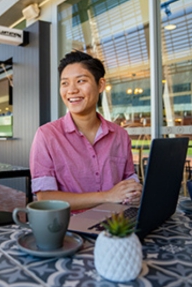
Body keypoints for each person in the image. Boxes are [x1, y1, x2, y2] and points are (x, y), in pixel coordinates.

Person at [29, 50, 142, 212]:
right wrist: (107, 196)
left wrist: (134, 191)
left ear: (100, 85)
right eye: (65, 83)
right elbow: (45, 197)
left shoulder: (120, 135)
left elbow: (129, 180)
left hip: (117, 223)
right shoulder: (47, 135)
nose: (71, 90)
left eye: (80, 81)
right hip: (69, 227)